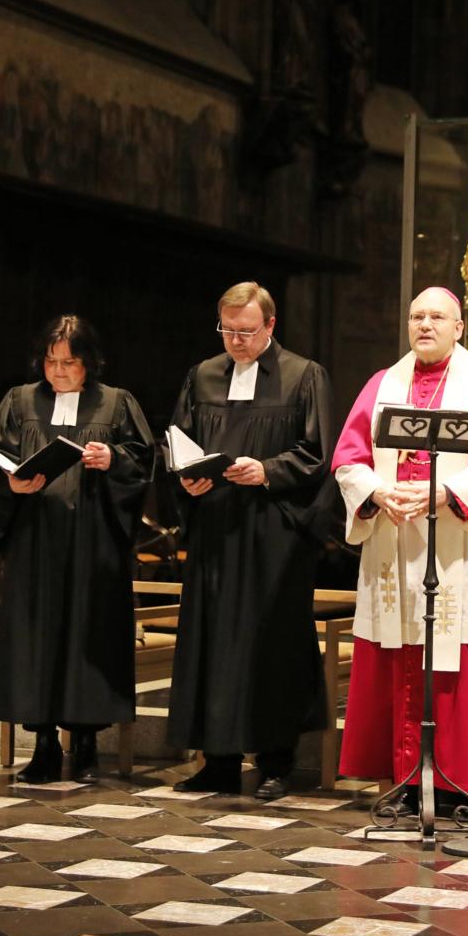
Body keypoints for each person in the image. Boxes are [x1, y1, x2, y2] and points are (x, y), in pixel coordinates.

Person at [332, 286, 468, 808]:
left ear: (459, 327)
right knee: (397, 653)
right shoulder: (383, 384)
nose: (425, 325)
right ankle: (402, 776)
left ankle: (460, 782)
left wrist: (446, 493)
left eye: (437, 317)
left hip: (457, 547)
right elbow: (348, 458)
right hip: (395, 542)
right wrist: (374, 492)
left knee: (456, 657)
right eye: (417, 316)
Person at [165, 282, 335, 800]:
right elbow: (178, 439)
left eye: (246, 331)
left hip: (274, 534)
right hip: (216, 529)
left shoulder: (304, 376)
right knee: (211, 642)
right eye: (228, 331)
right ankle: (216, 759)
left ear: (270, 326)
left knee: (271, 643)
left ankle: (276, 761)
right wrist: (185, 478)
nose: (235, 341)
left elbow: (319, 453)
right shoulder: (203, 375)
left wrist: (266, 470)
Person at [0, 316, 154, 784]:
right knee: (36, 640)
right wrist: (11, 481)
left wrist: (112, 458)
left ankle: (84, 743)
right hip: (36, 542)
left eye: (69, 363)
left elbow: (143, 461)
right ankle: (41, 745)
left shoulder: (116, 403)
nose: (57, 372)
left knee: (89, 634)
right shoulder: (20, 400)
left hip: (93, 542)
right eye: (50, 361)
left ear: (89, 363)